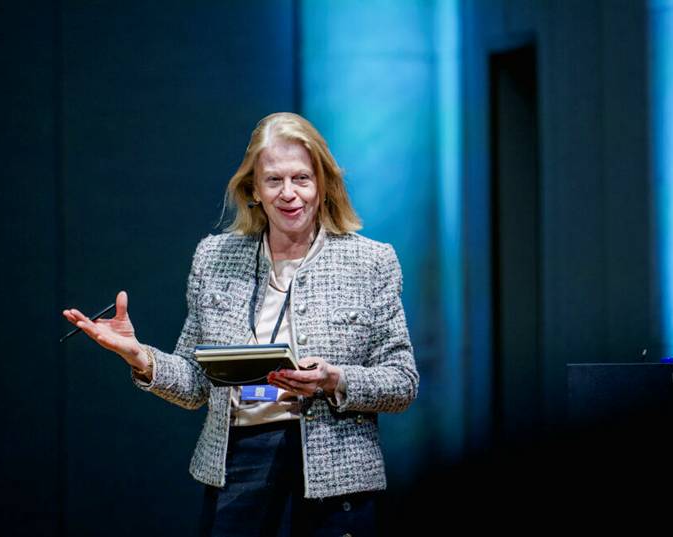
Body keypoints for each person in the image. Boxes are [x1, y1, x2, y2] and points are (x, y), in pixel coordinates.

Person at [62, 112, 418, 536]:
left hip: (337, 466)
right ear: (254, 190)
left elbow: (402, 382)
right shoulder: (214, 258)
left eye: (302, 178)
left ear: (322, 184)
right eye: (274, 181)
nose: (290, 194)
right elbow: (196, 383)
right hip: (239, 461)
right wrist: (139, 357)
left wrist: (334, 379)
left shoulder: (370, 262)